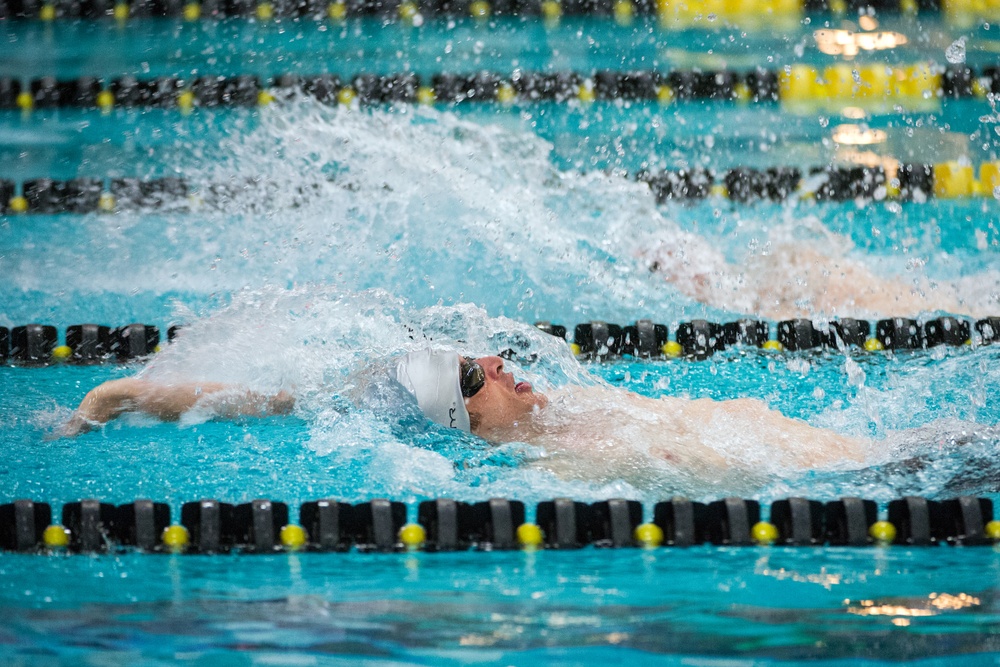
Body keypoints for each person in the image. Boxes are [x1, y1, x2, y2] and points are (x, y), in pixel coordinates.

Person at [62, 348, 870, 494]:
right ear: (469, 427)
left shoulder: (574, 409)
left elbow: (286, 396)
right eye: (474, 376)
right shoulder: (562, 469)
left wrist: (117, 393)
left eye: (477, 353)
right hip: (869, 475)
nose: (498, 362)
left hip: (870, 453)